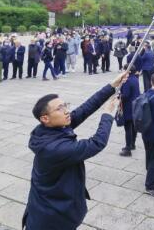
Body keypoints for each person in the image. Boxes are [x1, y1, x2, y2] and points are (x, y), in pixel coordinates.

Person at [22, 72, 127, 230]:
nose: (66, 111)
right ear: (45, 118)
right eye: (59, 108)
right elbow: (96, 143)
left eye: (66, 105)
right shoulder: (54, 149)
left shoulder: (49, 129)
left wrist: (112, 86)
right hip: (51, 219)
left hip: (49, 208)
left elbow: (85, 109)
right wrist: (107, 115)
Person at [119, 67, 141, 157]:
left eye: (124, 69)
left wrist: (118, 96)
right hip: (135, 106)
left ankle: (128, 149)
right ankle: (132, 144)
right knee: (133, 126)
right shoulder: (135, 79)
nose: (123, 71)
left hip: (128, 107)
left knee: (128, 128)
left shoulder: (127, 81)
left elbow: (126, 95)